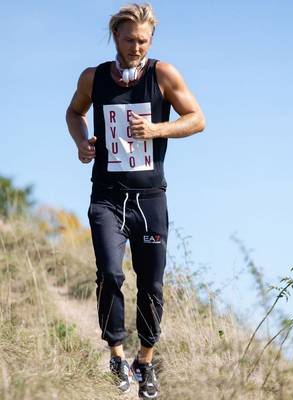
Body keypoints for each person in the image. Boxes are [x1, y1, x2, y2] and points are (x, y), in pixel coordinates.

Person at [66, 3, 205, 398]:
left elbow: (197, 117)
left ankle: (145, 360)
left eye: (143, 41)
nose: (136, 48)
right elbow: (74, 113)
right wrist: (81, 142)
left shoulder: (163, 74)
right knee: (110, 273)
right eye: (130, 40)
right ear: (116, 37)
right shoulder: (93, 78)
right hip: (107, 196)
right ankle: (116, 354)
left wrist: (157, 128)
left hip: (150, 199)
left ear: (152, 40)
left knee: (152, 285)